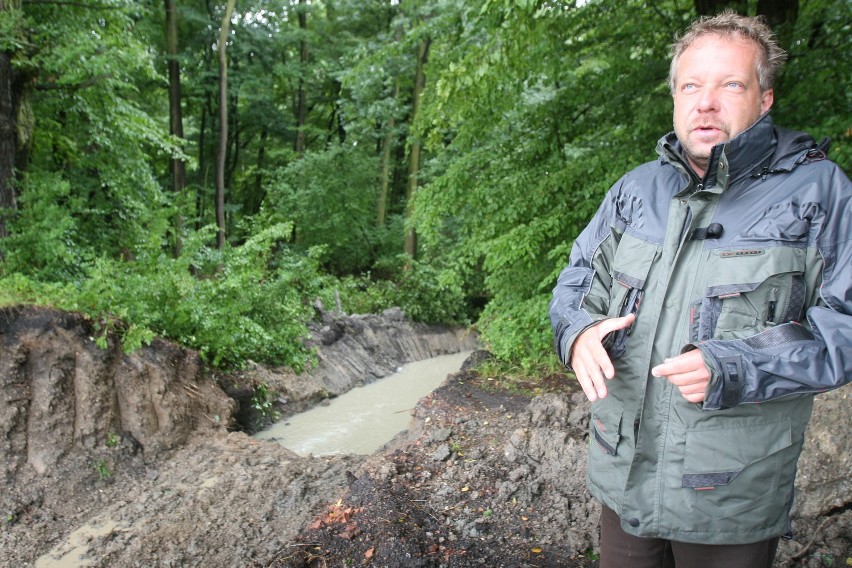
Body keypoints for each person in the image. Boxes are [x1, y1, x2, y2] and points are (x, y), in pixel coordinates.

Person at [548, 11, 851, 568]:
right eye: (691, 85)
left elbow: (844, 325)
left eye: (730, 84)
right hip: (624, 477)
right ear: (674, 97)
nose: (705, 102)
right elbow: (576, 281)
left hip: (730, 493)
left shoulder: (820, 191)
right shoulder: (636, 189)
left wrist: (737, 364)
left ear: (765, 99)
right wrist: (578, 332)